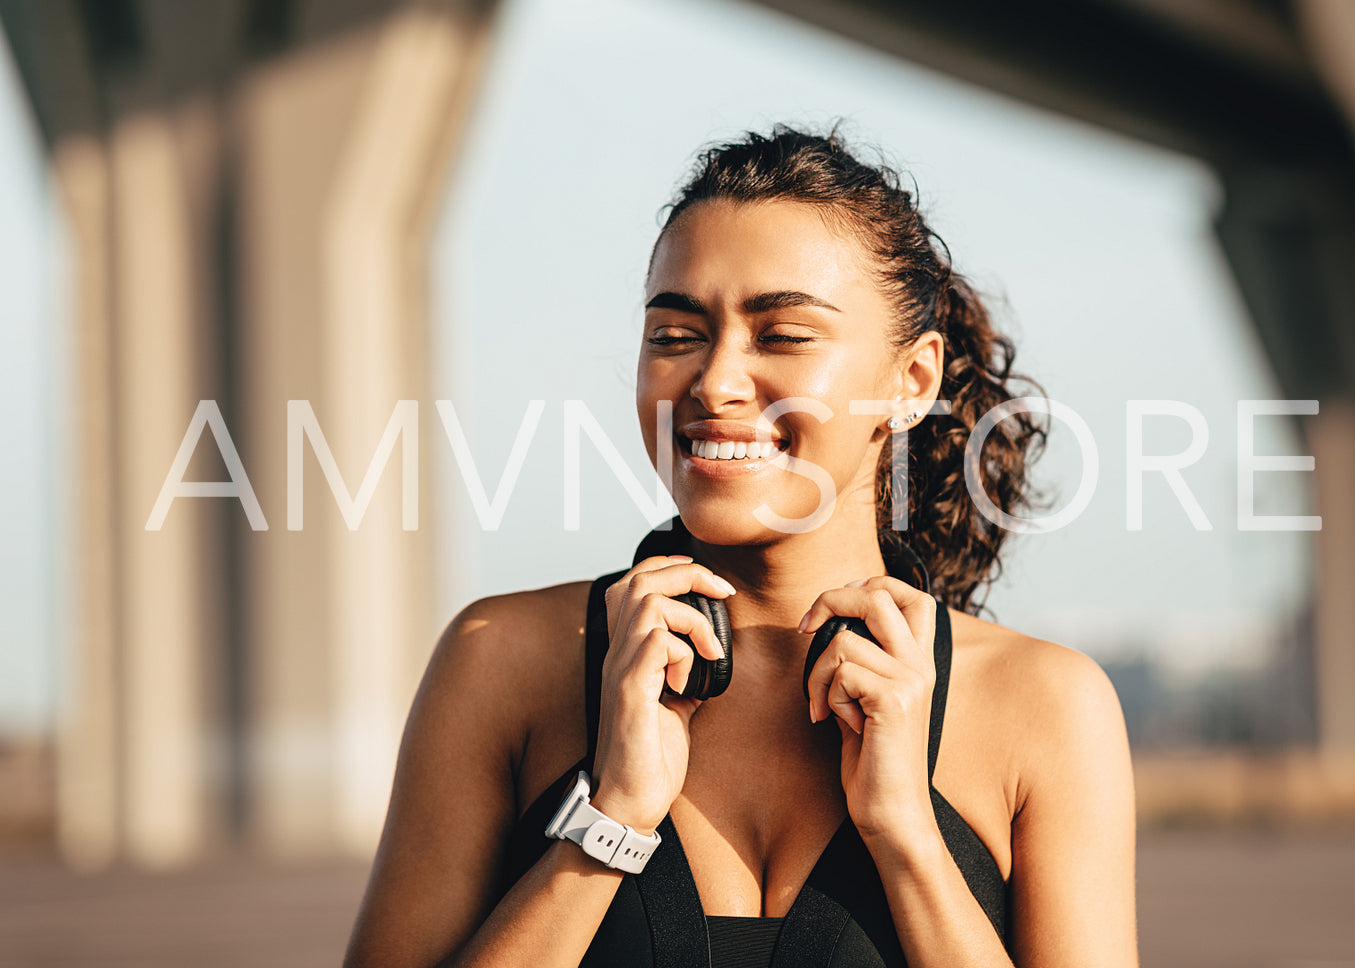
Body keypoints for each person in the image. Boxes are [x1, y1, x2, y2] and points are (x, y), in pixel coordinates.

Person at [343, 125, 1138, 968]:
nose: (715, 381)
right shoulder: (500, 663)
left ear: (911, 382)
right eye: (675, 335)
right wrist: (609, 821)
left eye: (783, 335)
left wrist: (907, 838)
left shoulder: (1045, 707)